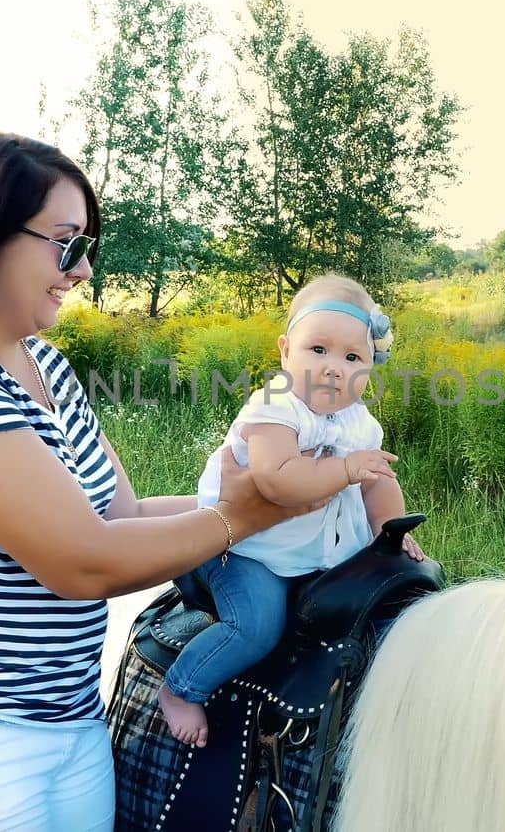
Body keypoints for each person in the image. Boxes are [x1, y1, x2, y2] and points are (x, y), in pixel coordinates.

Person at [0, 129, 324, 832]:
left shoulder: (43, 365)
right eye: (66, 244)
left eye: (87, 246)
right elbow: (83, 560)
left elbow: (122, 514)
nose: (84, 269)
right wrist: (239, 518)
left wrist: (291, 500)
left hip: (67, 721)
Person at [156, 274, 427, 747]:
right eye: (317, 350)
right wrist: (345, 469)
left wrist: (389, 529)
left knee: (378, 602)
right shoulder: (275, 407)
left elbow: (379, 484)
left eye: (352, 358)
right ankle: (182, 687)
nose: (333, 368)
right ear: (286, 352)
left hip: (310, 557)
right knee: (256, 627)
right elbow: (277, 479)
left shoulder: (359, 423)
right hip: (244, 551)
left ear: (369, 368)